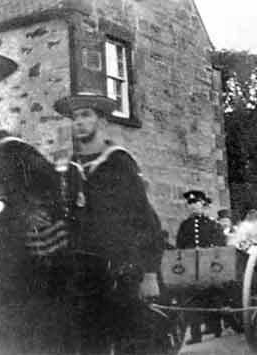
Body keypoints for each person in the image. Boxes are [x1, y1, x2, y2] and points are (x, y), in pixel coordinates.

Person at [53, 92, 163, 354]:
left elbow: (145, 218)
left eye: (85, 115)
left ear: (100, 120)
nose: (78, 122)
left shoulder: (118, 162)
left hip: (122, 268)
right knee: (90, 343)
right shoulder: (69, 168)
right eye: (74, 117)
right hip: (85, 271)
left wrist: (149, 273)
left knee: (130, 341)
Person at [0, 131, 83, 354]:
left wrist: (24, 211)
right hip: (33, 257)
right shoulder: (16, 153)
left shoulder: (8, 151)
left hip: (34, 258)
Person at [175, 190, 226, 344]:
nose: (193, 206)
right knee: (191, 298)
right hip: (191, 266)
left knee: (212, 294)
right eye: (190, 204)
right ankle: (195, 334)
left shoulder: (212, 224)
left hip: (209, 265)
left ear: (202, 204)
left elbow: (220, 244)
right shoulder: (185, 225)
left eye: (195, 203)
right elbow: (180, 246)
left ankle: (215, 327)